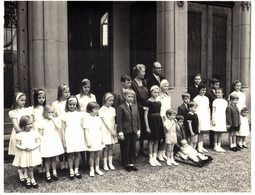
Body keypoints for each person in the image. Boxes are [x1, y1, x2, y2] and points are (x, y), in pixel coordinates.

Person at [8, 92, 32, 185]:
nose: (23, 102)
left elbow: (30, 121)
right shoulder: (13, 112)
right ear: (16, 100)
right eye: (21, 100)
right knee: (18, 155)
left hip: (27, 134)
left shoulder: (26, 110)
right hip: (19, 135)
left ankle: (26, 173)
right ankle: (20, 173)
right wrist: (22, 133)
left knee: (25, 154)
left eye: (24, 100)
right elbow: (16, 126)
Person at [113, 74, 137, 165]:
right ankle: (125, 161)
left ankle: (132, 162)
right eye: (127, 82)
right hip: (123, 122)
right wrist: (118, 126)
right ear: (122, 82)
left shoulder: (132, 93)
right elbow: (116, 109)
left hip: (132, 123)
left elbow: (135, 107)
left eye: (130, 81)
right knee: (125, 145)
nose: (129, 83)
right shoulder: (118, 94)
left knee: (132, 146)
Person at [12, 115, 42, 189]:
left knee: (31, 167)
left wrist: (32, 147)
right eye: (28, 124)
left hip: (32, 152)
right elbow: (17, 145)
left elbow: (38, 142)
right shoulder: (20, 135)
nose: (30, 125)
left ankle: (32, 179)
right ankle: (28, 180)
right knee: (25, 167)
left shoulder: (34, 133)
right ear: (23, 125)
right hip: (24, 152)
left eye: (31, 123)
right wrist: (24, 148)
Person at [38, 105, 64, 183]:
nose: (50, 114)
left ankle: (54, 173)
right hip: (46, 141)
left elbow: (59, 127)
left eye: (52, 112)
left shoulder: (55, 120)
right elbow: (40, 133)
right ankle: (48, 174)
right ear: (45, 113)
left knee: (53, 158)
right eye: (48, 112)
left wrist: (53, 119)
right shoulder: (42, 121)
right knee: (47, 159)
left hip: (54, 140)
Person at [116, 89, 141, 172]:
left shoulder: (135, 106)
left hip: (134, 130)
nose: (131, 98)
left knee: (133, 147)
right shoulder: (121, 107)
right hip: (125, 131)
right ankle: (126, 163)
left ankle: (132, 163)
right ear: (124, 96)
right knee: (125, 147)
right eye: (129, 96)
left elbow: (138, 119)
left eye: (132, 97)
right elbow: (119, 121)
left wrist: (138, 130)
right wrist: (120, 132)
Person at [62, 96, 85, 180]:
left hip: (78, 135)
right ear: (67, 105)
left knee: (77, 154)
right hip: (69, 135)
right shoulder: (65, 115)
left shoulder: (79, 114)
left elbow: (82, 126)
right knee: (70, 154)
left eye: (74, 104)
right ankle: (71, 170)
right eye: (70, 104)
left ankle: (76, 170)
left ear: (76, 105)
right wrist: (64, 141)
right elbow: (63, 129)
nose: (72, 106)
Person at [131, 64, 149, 156]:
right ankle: (135, 150)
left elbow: (147, 95)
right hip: (138, 108)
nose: (144, 73)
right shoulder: (133, 83)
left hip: (146, 109)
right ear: (137, 72)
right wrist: (141, 107)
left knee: (144, 130)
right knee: (138, 129)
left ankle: (142, 149)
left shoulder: (145, 82)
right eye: (143, 71)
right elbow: (134, 100)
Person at [83, 102, 105, 177]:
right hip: (91, 138)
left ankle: (97, 168)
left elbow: (101, 130)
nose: (97, 110)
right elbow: (86, 131)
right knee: (92, 155)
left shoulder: (98, 119)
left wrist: (102, 139)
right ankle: (92, 169)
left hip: (97, 138)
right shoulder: (87, 119)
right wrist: (88, 141)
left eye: (98, 109)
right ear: (90, 109)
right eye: (95, 109)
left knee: (97, 155)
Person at [144, 85, 164, 167]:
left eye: (157, 92)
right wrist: (147, 127)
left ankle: (155, 157)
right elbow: (145, 115)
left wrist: (162, 123)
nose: (156, 94)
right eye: (154, 92)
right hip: (151, 122)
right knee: (151, 140)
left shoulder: (159, 102)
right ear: (151, 92)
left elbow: (160, 114)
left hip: (158, 122)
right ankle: (150, 157)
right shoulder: (148, 102)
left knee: (157, 140)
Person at [52, 84, 70, 170]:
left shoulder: (69, 102)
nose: (67, 94)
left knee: (67, 143)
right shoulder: (55, 104)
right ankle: (61, 161)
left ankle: (67, 161)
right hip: (59, 125)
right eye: (65, 92)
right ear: (60, 93)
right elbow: (54, 115)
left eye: (68, 92)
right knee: (61, 143)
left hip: (67, 124)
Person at [99, 92, 118, 171]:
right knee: (105, 148)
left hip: (112, 130)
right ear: (105, 100)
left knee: (111, 147)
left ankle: (110, 163)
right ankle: (105, 164)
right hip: (105, 130)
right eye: (109, 101)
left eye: (112, 101)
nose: (111, 102)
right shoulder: (101, 109)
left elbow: (114, 121)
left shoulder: (113, 109)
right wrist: (111, 130)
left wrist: (114, 130)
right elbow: (104, 122)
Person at [31, 89, 46, 175]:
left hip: (44, 129)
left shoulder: (45, 108)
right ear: (36, 98)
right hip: (36, 129)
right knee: (38, 147)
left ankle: (45, 164)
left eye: (43, 97)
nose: (41, 99)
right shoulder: (33, 109)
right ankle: (39, 165)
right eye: (39, 98)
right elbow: (32, 120)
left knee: (44, 147)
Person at [193, 84, 211, 153]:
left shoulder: (206, 98)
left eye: (205, 90)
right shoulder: (196, 98)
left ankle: (201, 146)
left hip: (205, 116)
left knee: (203, 131)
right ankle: (198, 146)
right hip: (199, 116)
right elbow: (195, 109)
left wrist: (209, 116)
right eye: (202, 90)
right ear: (199, 90)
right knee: (199, 131)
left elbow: (208, 108)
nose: (204, 91)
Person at [157, 79, 171, 161]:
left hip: (168, 117)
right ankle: (159, 153)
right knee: (164, 136)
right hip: (162, 117)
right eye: (164, 86)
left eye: (167, 86)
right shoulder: (159, 97)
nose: (166, 87)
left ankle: (163, 152)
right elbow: (160, 109)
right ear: (161, 87)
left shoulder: (168, 96)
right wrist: (163, 118)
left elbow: (169, 107)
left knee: (168, 136)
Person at [211, 88, 228, 152]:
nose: (217, 94)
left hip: (222, 118)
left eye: (219, 92)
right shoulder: (215, 101)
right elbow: (213, 111)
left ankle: (219, 145)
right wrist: (213, 119)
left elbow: (226, 111)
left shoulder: (225, 102)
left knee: (220, 132)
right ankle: (215, 146)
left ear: (222, 93)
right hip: (216, 117)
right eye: (216, 92)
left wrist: (226, 120)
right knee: (216, 132)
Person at [206, 78, 220, 148]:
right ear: (212, 85)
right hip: (212, 110)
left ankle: (217, 142)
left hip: (218, 111)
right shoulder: (209, 93)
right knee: (212, 128)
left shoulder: (219, 92)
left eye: (218, 85)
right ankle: (212, 143)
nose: (217, 86)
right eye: (216, 85)